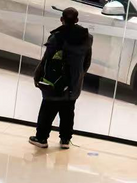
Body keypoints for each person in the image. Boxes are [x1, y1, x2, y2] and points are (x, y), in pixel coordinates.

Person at [30, 6, 92, 150]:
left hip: (55, 82)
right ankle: (65, 140)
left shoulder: (56, 36)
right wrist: (79, 75)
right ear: (77, 20)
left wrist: (37, 74)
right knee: (68, 111)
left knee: (47, 109)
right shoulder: (87, 38)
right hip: (74, 82)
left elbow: (46, 60)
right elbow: (87, 61)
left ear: (61, 19)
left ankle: (41, 138)